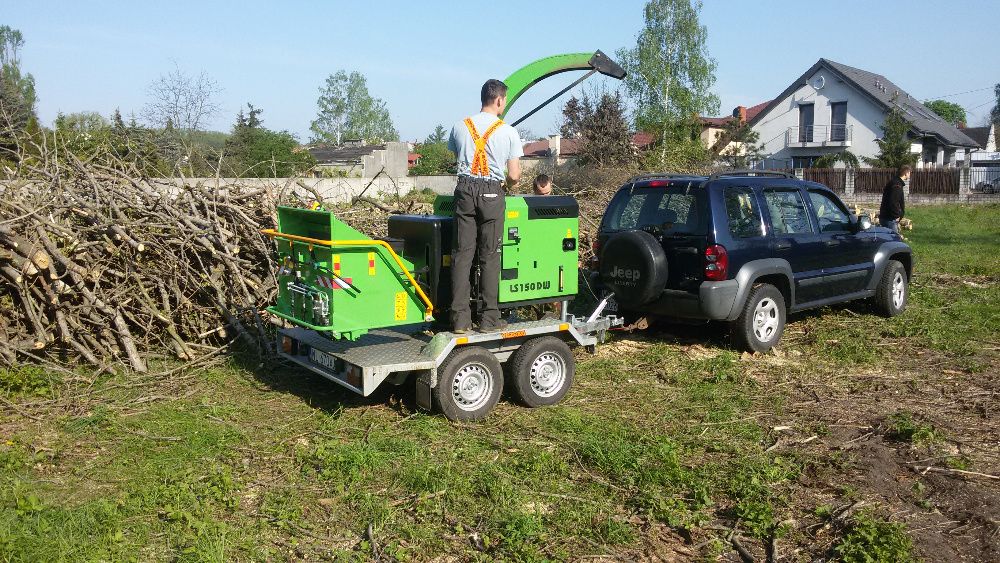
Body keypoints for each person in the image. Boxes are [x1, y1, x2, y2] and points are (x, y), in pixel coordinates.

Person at [447, 79, 524, 333]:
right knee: (490, 257)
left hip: (465, 190)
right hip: (492, 191)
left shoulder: (459, 126)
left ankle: (460, 319)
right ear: (500, 100)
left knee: (462, 255)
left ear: (483, 98)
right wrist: (505, 188)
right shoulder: (509, 131)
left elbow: (456, 156)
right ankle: (489, 319)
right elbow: (514, 175)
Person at [879, 165, 910, 234]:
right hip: (889, 219)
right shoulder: (896, 185)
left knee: (888, 240)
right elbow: (893, 201)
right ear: (906, 173)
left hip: (887, 217)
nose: (910, 174)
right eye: (909, 173)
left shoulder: (896, 182)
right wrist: (896, 215)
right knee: (893, 241)